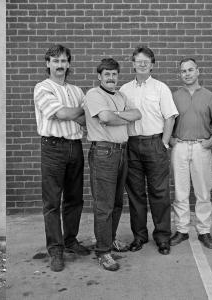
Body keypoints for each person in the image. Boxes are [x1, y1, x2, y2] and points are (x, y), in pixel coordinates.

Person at [33, 44, 88, 272]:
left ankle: (70, 239)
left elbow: (87, 120)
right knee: (52, 202)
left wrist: (74, 113)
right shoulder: (42, 88)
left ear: (69, 64)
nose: (60, 65)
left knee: (75, 199)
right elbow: (59, 114)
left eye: (64, 61)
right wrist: (77, 112)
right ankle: (55, 249)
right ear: (48, 64)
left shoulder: (77, 90)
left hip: (75, 147)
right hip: (53, 147)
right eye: (55, 61)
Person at [83, 58, 141, 271]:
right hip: (103, 152)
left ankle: (110, 238)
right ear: (99, 76)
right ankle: (103, 251)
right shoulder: (93, 94)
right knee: (104, 205)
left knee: (117, 203)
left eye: (114, 74)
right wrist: (119, 117)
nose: (110, 78)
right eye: (106, 74)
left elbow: (137, 114)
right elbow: (105, 117)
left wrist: (115, 116)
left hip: (122, 152)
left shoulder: (121, 95)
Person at [120, 45, 178, 255]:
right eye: (138, 61)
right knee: (135, 194)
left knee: (160, 193)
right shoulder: (124, 90)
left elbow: (170, 117)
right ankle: (139, 236)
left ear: (152, 65)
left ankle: (163, 237)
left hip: (155, 144)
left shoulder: (161, 88)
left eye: (147, 61)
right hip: (132, 145)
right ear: (133, 63)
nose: (142, 64)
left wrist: (163, 143)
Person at [169, 58, 212, 249]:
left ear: (198, 71)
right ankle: (182, 230)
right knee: (180, 192)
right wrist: (171, 140)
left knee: (203, 191)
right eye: (183, 71)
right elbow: (165, 122)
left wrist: (210, 141)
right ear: (180, 74)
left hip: (201, 147)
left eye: (191, 70)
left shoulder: (211, 97)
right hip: (180, 146)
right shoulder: (173, 97)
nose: (187, 74)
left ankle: (204, 231)